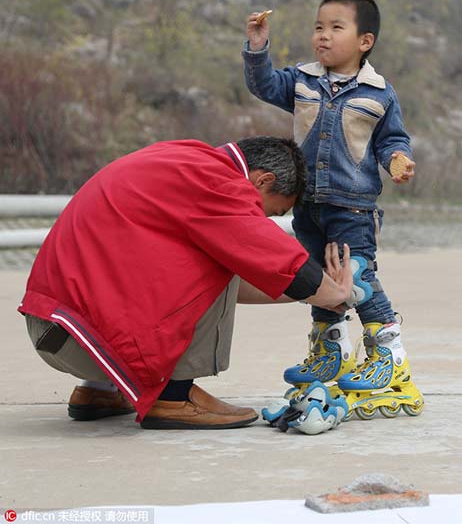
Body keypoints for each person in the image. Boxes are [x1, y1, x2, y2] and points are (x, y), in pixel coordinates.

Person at [19, 136, 354, 430]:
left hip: (57, 327)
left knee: (202, 258)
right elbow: (273, 257)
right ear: (262, 180)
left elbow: (246, 284)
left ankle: (100, 390)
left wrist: (314, 295)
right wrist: (335, 291)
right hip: (77, 335)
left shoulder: (184, 159)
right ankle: (173, 397)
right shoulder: (217, 181)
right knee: (224, 257)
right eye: (272, 212)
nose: (263, 219)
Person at [242, 0, 424, 418]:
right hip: (308, 204)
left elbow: (392, 139)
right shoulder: (301, 80)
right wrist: (257, 47)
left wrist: (396, 159)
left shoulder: (380, 93)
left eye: (336, 28)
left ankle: (388, 354)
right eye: (318, 27)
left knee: (356, 277)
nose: (322, 36)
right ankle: (332, 351)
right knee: (318, 280)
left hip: (353, 207)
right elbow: (263, 84)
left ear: (365, 41)